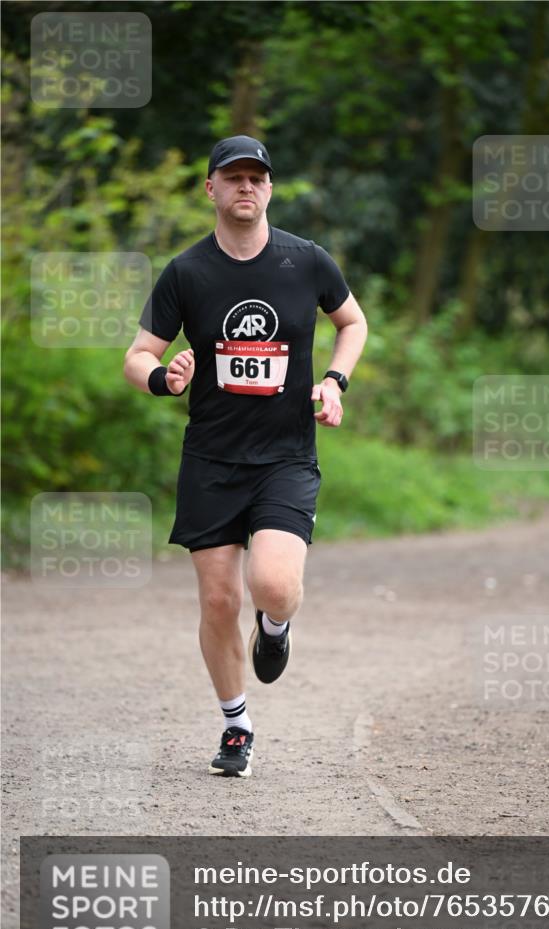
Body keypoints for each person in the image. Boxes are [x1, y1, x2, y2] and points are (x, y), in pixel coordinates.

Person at [123, 135, 367, 778]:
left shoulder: (306, 261)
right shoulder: (186, 272)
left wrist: (334, 382)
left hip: (286, 454)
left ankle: (278, 627)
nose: (246, 188)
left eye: (257, 178)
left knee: (274, 587)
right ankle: (236, 725)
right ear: (211, 188)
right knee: (217, 602)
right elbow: (137, 355)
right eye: (233, 178)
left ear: (269, 188)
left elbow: (354, 323)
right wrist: (162, 377)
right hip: (211, 458)